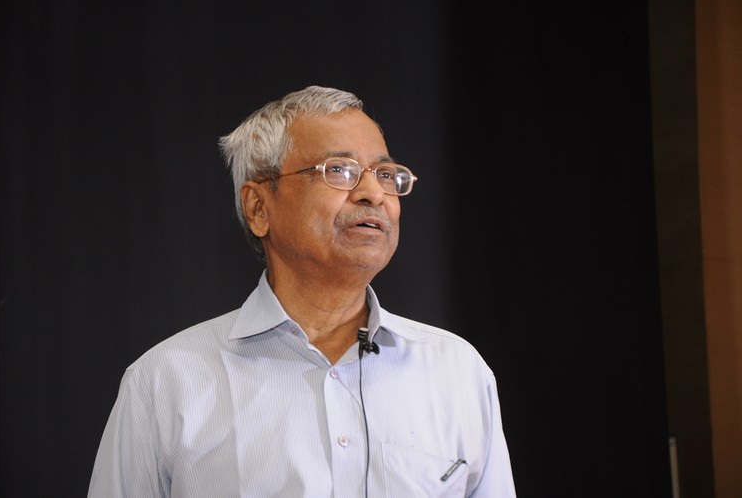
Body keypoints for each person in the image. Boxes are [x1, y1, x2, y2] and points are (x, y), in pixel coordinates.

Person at [87, 85, 516, 497]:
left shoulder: (457, 371)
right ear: (258, 207)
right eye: (339, 170)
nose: (373, 194)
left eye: (386, 175)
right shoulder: (166, 382)